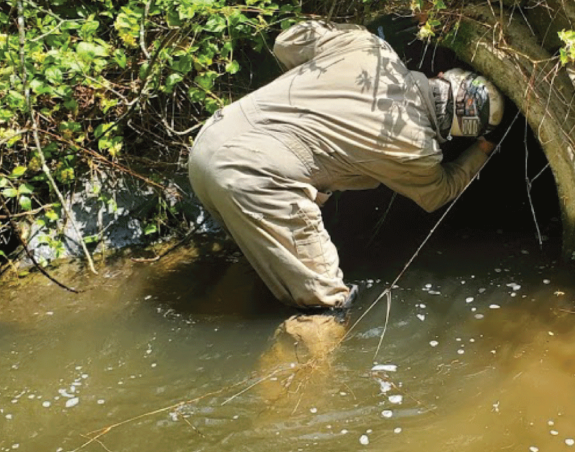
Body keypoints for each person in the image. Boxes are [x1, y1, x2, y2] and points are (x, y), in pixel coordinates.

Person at [188, 19, 504, 312]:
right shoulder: (416, 147)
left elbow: (286, 41)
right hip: (254, 182)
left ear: (441, 76)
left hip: (207, 144)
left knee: (253, 267)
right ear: (456, 131)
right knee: (328, 307)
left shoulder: (370, 50)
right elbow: (438, 192)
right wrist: (484, 149)